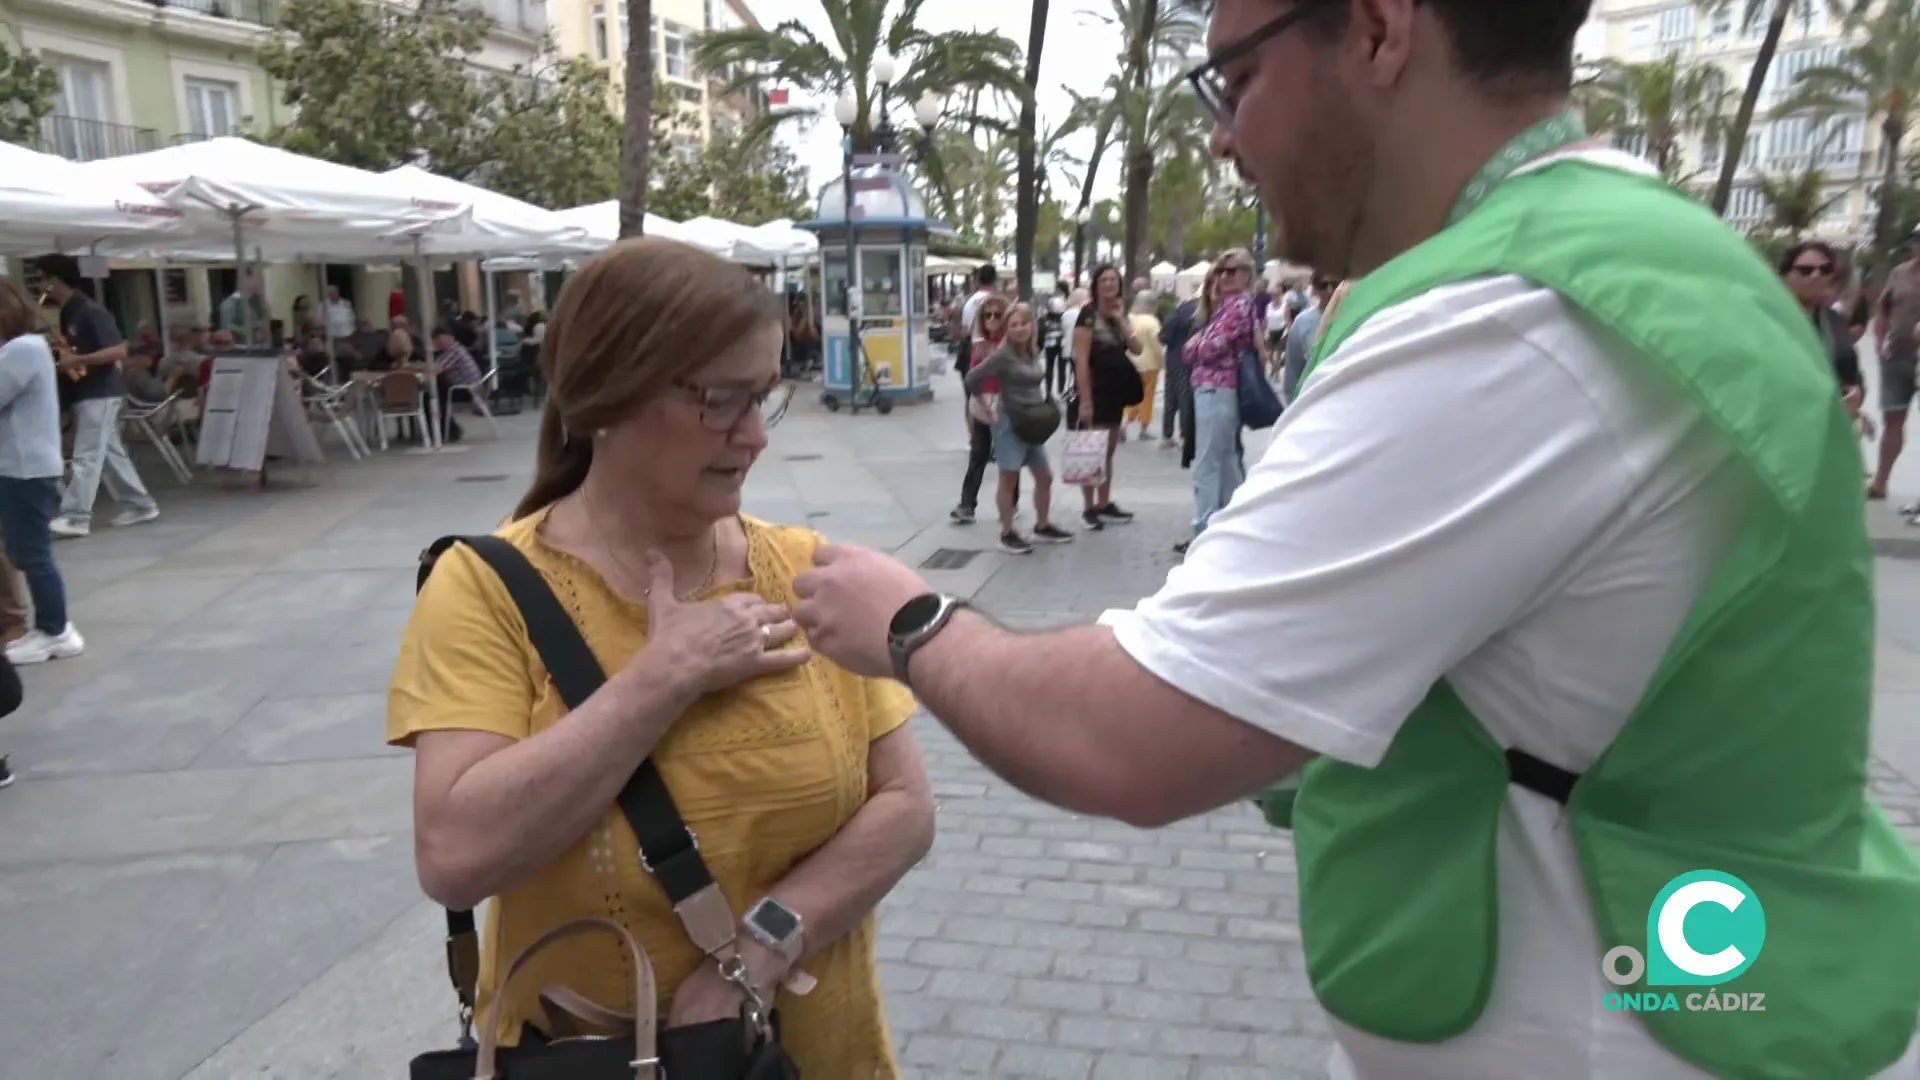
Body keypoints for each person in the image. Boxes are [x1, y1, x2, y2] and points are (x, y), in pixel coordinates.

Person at [786, 1, 1920, 1077]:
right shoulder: (1638, 251)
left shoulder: (1511, 317)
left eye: (1238, 77)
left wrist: (913, 622)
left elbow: (1133, 735)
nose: (1224, 139)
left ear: (1378, 30)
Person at [389, 237, 933, 1074]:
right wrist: (666, 676)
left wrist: (761, 947)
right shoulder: (483, 589)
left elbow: (906, 805)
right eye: (721, 399)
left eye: (764, 396)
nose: (756, 435)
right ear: (607, 395)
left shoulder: (805, 569)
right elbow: (456, 857)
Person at [35, 255, 159, 539]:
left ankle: (76, 516)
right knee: (111, 453)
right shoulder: (69, 312)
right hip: (88, 390)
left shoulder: (89, 310)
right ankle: (140, 504)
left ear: (54, 280)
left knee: (86, 454)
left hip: (100, 391)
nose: (38, 286)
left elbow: (118, 350)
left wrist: (77, 360)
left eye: (41, 278)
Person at [0, 280, 80, 665]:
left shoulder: (22, 350)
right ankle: (51, 628)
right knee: (23, 550)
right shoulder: (23, 349)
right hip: (21, 464)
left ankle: (55, 630)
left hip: (24, 466)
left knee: (33, 553)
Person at [964, 303, 1074, 553]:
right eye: (1014, 325)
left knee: (1044, 477)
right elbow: (972, 378)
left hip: (1032, 423)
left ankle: (1042, 526)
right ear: (1007, 330)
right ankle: (1006, 533)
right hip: (1010, 424)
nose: (1020, 328)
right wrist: (987, 409)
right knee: (1008, 479)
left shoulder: (1031, 351)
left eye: (1024, 323)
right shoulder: (1003, 355)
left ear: (1032, 325)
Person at [1181, 249, 1259, 552]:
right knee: (1226, 460)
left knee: (1208, 462)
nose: (1224, 276)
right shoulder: (1227, 305)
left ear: (1247, 274)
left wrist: (1196, 345)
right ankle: (1235, 525)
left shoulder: (1238, 305)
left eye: (1232, 270)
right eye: (1221, 271)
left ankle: (1203, 531)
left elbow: (1211, 346)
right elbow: (1198, 346)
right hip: (1216, 389)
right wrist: (1197, 345)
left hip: (1217, 388)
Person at [1070, 265, 1144, 530]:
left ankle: (1104, 503)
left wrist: (1121, 319)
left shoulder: (1117, 314)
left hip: (1115, 391)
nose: (1109, 284)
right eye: (1104, 280)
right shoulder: (1087, 315)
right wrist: (1086, 400)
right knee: (1091, 450)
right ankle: (1088, 508)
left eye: (1113, 280)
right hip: (1095, 389)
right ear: (1096, 285)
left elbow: (1137, 348)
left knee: (1108, 450)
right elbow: (1080, 359)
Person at [1781, 241, 1868, 428]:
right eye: (1806, 270)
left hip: (1829, 423)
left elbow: (1850, 369)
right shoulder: (1771, 319)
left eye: (1825, 269)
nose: (1817, 275)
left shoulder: (1835, 319)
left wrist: (1857, 392)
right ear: (1787, 276)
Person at [951, 295, 1011, 525]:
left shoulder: (1011, 343)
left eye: (997, 315)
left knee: (1009, 458)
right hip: (982, 405)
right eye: (987, 315)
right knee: (978, 455)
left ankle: (1011, 503)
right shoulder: (978, 345)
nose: (992, 319)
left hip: (1006, 405)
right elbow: (972, 376)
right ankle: (966, 505)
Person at [1874, 229, 1920, 499]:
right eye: (1916, 239)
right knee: (1892, 420)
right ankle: (1880, 483)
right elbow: (1883, 310)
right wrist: (1880, 343)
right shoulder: (1899, 273)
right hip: (1897, 358)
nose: (1918, 245)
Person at [1282, 275, 1337, 403]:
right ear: (1315, 288)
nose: (1330, 290)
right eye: (1323, 285)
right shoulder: (1302, 322)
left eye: (1335, 284)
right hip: (1315, 399)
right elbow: (1293, 368)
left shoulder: (1357, 317)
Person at [1159, 293, 1201, 454]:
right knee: (1186, 399)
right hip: (1189, 358)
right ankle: (1186, 435)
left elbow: (1163, 336)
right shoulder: (1198, 312)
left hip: (1172, 356)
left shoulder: (1178, 311)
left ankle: (1167, 434)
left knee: (1170, 396)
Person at [1123, 290, 1165, 438]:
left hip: (1131, 362)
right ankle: (1143, 428)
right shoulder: (1152, 322)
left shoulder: (1129, 318)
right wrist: (1162, 362)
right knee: (1147, 396)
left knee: (1130, 395)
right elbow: (1157, 345)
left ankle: (1124, 424)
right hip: (1149, 364)